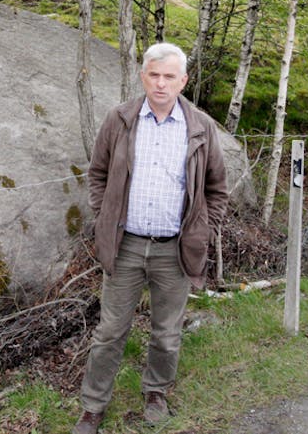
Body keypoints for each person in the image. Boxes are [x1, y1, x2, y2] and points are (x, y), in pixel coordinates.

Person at [72, 42, 229, 434]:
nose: (161, 84)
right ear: (143, 76)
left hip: (174, 249)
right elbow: (98, 174)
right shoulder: (120, 119)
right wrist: (104, 216)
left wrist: (201, 231)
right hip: (125, 247)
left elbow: (217, 188)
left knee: (166, 330)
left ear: (183, 81)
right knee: (110, 330)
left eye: (169, 77)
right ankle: (93, 406)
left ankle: (156, 392)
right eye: (154, 75)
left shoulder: (201, 127)